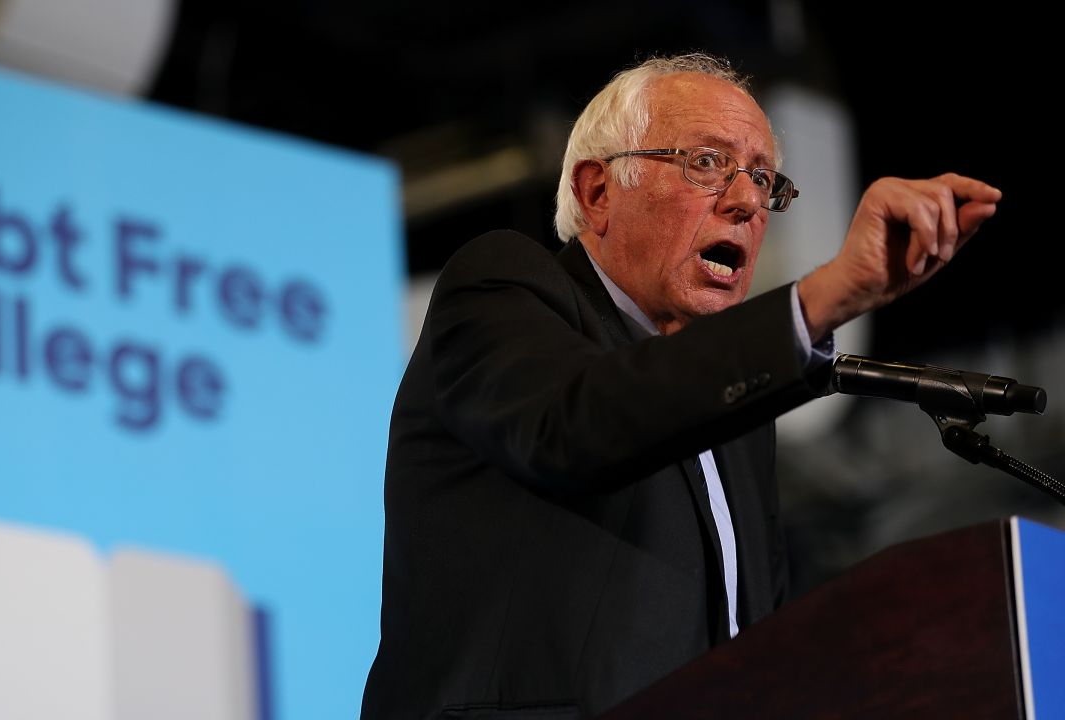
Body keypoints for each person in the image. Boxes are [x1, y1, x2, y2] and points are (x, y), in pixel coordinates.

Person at [360, 53, 999, 718]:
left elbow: (761, 644)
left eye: (762, 178)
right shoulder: (503, 287)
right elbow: (579, 425)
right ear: (597, 192)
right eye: (706, 163)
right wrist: (826, 295)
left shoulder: (739, 418)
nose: (748, 200)